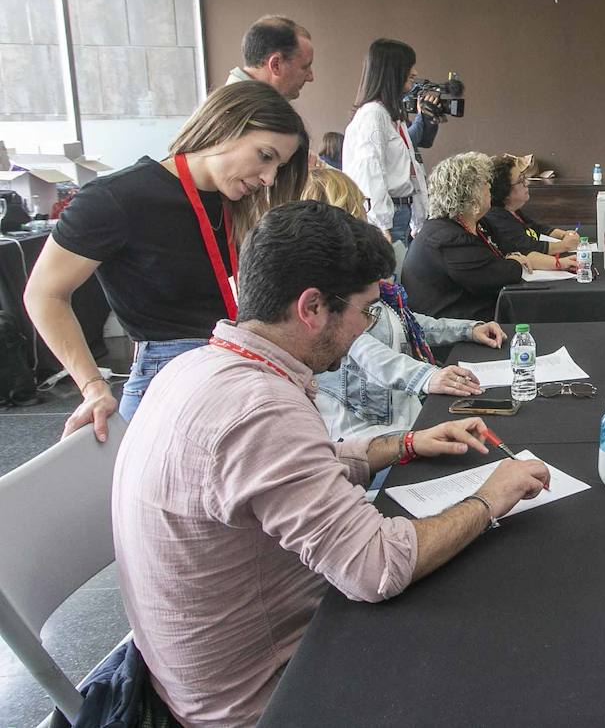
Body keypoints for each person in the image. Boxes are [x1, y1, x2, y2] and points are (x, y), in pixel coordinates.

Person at [111, 200, 549, 728]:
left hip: (194, 680)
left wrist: (405, 444)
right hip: (268, 698)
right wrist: (490, 496)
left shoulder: (199, 367)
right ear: (312, 308)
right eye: (364, 311)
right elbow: (377, 568)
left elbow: (299, 469)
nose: (365, 327)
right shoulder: (261, 409)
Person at [25, 82, 309, 440]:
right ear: (224, 126)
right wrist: (93, 385)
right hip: (168, 383)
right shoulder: (117, 198)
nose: (269, 178)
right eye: (265, 156)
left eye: (279, 167)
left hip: (237, 373)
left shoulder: (235, 205)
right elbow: (43, 295)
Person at [301, 168, 507, 439]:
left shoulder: (357, 275)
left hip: (404, 420)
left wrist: (468, 329)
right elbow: (362, 348)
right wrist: (427, 377)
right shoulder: (331, 293)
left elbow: (405, 322)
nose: (367, 215)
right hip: (368, 436)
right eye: (361, 206)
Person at [402, 152, 530, 321]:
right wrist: (514, 263)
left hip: (473, 316)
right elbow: (497, 275)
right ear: (469, 194)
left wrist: (509, 261)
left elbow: (504, 253)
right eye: (484, 183)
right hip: (452, 331)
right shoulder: (447, 239)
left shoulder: (475, 224)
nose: (490, 187)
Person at [343, 38, 429, 258]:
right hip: (389, 218)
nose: (415, 72)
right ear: (392, 71)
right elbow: (370, 173)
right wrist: (382, 225)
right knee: (391, 284)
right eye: (409, 66)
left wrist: (419, 219)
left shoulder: (392, 117)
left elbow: (411, 170)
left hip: (400, 213)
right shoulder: (373, 115)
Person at [482, 154, 582, 262]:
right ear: (504, 191)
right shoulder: (497, 218)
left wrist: (564, 234)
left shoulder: (513, 211)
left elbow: (536, 227)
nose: (527, 183)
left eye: (524, 177)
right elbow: (527, 247)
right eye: (520, 180)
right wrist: (564, 245)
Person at [223, 15, 314, 101]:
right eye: (305, 67)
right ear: (276, 65)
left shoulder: (226, 104)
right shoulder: (255, 113)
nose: (310, 77)